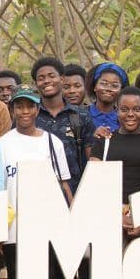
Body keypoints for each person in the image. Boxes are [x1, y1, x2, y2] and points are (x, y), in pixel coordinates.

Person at [0, 86, 73, 279]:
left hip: (48, 224)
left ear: (37, 109)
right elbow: (0, 187)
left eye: (29, 106)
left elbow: (63, 184)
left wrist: (69, 219)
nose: (24, 112)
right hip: (15, 228)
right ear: (12, 110)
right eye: (19, 106)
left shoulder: (52, 142)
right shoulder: (2, 144)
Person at [91, 87, 140, 217]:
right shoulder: (104, 141)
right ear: (117, 111)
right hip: (109, 212)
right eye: (124, 109)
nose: (130, 114)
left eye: (137, 109)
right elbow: (95, 182)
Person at [31, 56, 91, 189]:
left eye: (51, 76)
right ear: (36, 84)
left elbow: (91, 160)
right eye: (41, 78)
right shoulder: (29, 116)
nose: (46, 81)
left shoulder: (80, 116)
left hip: (75, 193)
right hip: (36, 191)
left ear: (62, 79)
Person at [87, 62, 127, 133]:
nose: (108, 89)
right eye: (103, 84)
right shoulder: (80, 115)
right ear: (94, 86)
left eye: (114, 85)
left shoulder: (125, 118)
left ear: (121, 90)